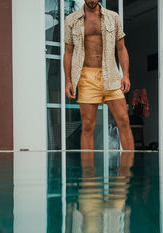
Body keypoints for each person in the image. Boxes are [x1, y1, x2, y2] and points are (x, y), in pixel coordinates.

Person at [63, 0, 135, 150]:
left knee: (123, 120)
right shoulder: (71, 20)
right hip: (86, 75)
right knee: (88, 124)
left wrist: (125, 75)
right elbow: (68, 52)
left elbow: (121, 48)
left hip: (110, 74)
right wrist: (68, 81)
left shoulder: (112, 17)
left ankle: (128, 168)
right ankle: (88, 171)